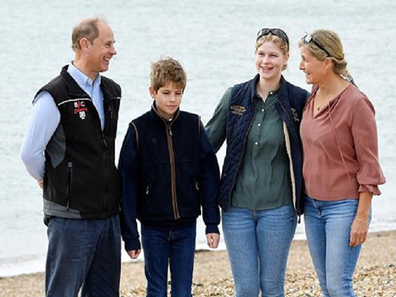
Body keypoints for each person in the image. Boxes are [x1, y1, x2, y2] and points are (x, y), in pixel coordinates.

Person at [20, 17, 122, 297]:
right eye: (108, 44)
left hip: (108, 215)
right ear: (85, 44)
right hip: (70, 218)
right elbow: (29, 152)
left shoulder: (112, 92)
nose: (114, 51)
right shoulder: (54, 95)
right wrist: (51, 179)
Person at [206, 28, 309, 297]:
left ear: (286, 59)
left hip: (279, 209)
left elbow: (318, 146)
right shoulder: (235, 97)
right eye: (261, 54)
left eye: (273, 55)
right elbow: (205, 148)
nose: (266, 61)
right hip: (236, 209)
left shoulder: (299, 100)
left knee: (273, 288)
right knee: (247, 288)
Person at [118, 57, 221, 297]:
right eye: (166, 92)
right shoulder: (137, 129)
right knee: (156, 290)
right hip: (153, 227)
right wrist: (130, 236)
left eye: (178, 93)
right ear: (152, 92)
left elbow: (208, 175)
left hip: (186, 225)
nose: (172, 99)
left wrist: (212, 223)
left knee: (183, 291)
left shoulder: (194, 125)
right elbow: (126, 184)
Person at [298, 29, 386, 297]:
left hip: (344, 208)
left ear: (327, 62)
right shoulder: (314, 93)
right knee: (327, 286)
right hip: (313, 207)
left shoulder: (357, 104)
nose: (300, 65)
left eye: (306, 59)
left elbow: (369, 167)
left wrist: (361, 218)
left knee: (339, 286)